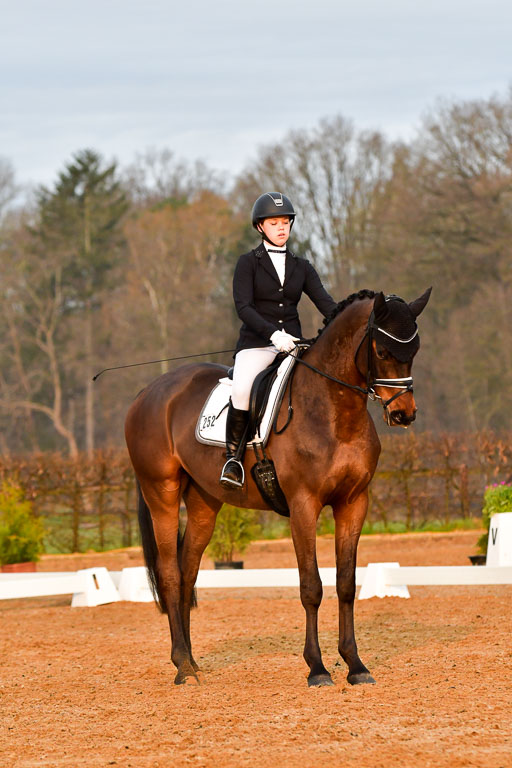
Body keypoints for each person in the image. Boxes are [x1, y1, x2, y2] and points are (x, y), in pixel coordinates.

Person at [219, 192, 338, 488]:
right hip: (257, 344)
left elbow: (325, 302)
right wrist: (272, 334)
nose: (281, 228)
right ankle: (233, 460)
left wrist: (349, 320)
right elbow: (243, 307)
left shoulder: (301, 266)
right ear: (260, 227)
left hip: (294, 345)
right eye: (274, 223)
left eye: (285, 222)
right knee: (244, 388)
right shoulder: (248, 263)